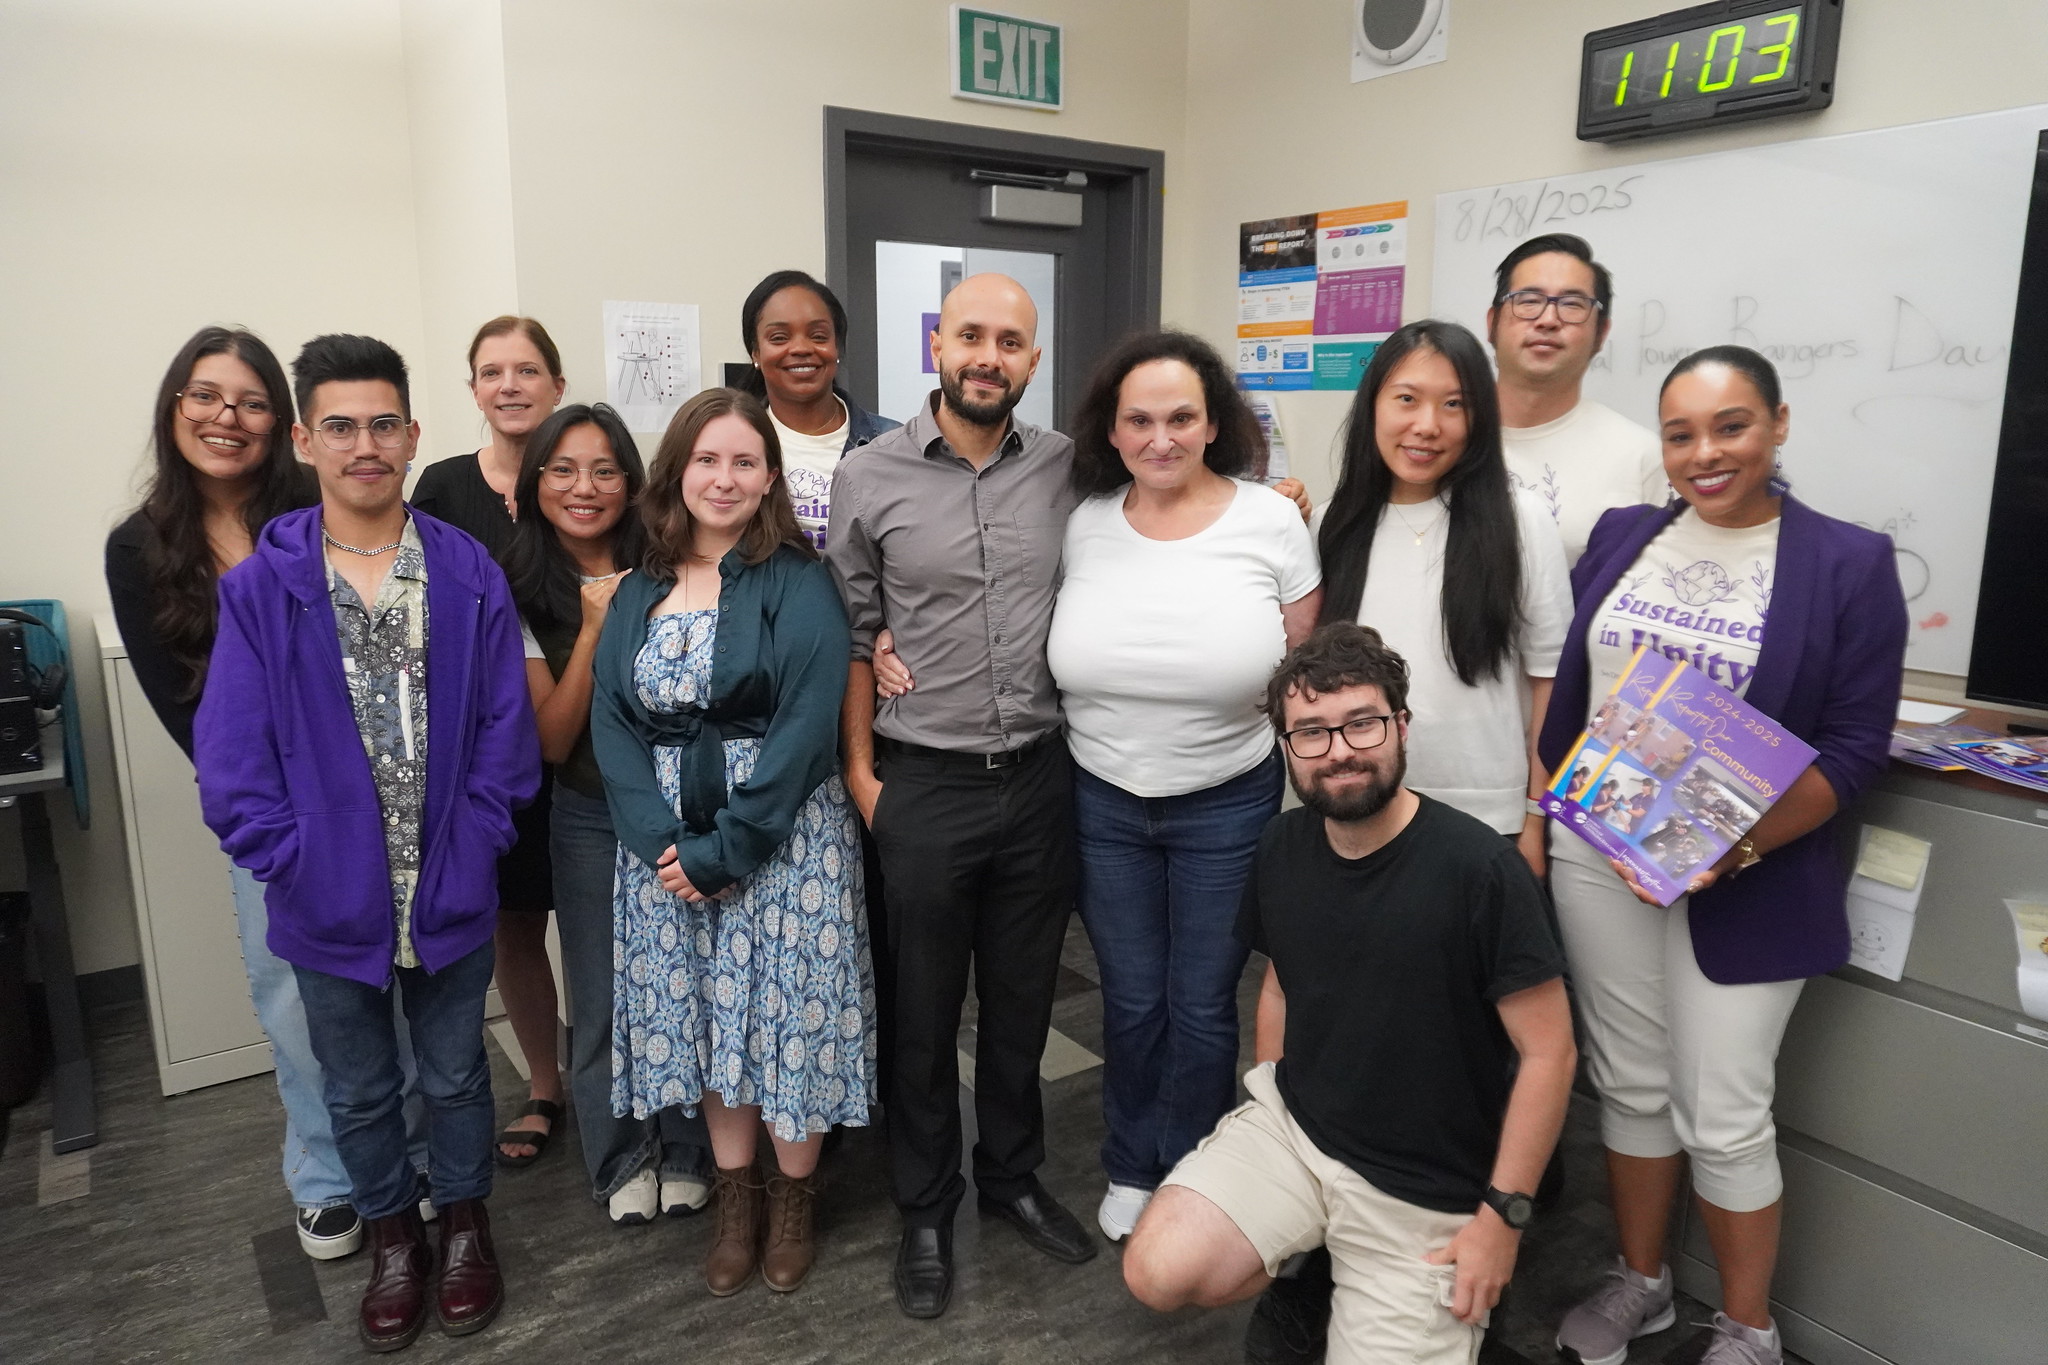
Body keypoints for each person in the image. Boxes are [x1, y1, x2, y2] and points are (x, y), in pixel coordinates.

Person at [1539, 346, 1907, 1365]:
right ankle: (1642, 1282)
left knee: (1722, 1107)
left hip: (1750, 876)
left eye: (1730, 425)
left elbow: (1852, 748)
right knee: (1631, 1083)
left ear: (1777, 425)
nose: (1703, 453)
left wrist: (1729, 848)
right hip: (1600, 855)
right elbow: (1571, 694)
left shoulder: (1844, 561)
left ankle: (1748, 1329)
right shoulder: (1622, 536)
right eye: (1679, 433)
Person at [195, 334, 540, 1352]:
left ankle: (466, 1224)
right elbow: (231, 757)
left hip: (449, 884)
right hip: (325, 898)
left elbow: (503, 735)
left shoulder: (466, 571)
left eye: (383, 424)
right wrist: (290, 858)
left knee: (458, 1073)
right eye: (339, 426)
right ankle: (394, 1235)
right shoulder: (264, 588)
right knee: (354, 1085)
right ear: (304, 440)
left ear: (412, 434)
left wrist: (476, 841)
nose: (364, 445)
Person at [1121, 623, 1576, 1365]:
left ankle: (1427, 1314)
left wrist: (1503, 1217)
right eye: (1311, 732)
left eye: (1361, 722)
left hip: (1424, 1192)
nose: (1339, 750)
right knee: (1156, 1266)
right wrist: (1268, 1107)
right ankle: (1317, 1260)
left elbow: (1550, 1053)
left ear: (1401, 725)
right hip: (1301, 1134)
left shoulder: (1481, 871)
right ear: (1286, 747)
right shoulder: (1281, 846)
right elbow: (1280, 986)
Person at [104, 326, 433, 1263]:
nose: (227, 418)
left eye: (249, 401)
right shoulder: (141, 547)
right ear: (175, 411)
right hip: (280, 814)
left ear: (282, 427)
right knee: (293, 994)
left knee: (402, 988)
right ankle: (327, 1175)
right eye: (205, 397)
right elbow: (186, 710)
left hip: (387, 794)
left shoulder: (318, 508)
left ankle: (409, 1164)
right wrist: (274, 822)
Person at [824, 273, 1096, 1320]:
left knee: (1024, 1007)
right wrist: (860, 777)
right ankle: (925, 1205)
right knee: (925, 1014)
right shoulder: (870, 473)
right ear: (941, 343)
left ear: (1032, 359)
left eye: (1011, 341)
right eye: (971, 334)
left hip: (1039, 777)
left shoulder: (1072, 469)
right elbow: (854, 633)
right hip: (921, 781)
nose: (989, 355)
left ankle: (1013, 1178)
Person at [591, 388, 874, 1297]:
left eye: (744, 461)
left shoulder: (799, 577)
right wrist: (663, 843)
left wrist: (727, 848)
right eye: (707, 459)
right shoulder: (639, 587)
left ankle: (794, 1197)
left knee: (784, 1018)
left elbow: (804, 727)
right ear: (677, 469)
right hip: (665, 854)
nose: (725, 477)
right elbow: (611, 723)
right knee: (716, 1025)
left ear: (769, 477)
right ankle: (736, 1198)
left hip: (784, 840)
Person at [1043, 330, 1320, 1242]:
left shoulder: (1272, 520)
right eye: (1139, 420)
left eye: (1181, 418)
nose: (1160, 438)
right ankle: (1132, 1160)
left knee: (1201, 1003)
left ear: (1214, 425)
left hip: (1228, 795)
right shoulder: (1081, 518)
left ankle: (1196, 1169)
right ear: (1111, 433)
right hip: (1104, 796)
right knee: (1130, 995)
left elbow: (1303, 668)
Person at [497, 401, 715, 1224]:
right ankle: (619, 1153)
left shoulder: (672, 560)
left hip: (681, 804)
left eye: (603, 469)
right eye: (562, 469)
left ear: (632, 481)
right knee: (599, 994)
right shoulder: (510, 587)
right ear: (535, 482)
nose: (583, 487)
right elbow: (552, 738)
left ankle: (689, 1145)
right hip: (586, 811)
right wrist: (594, 626)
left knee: (685, 982)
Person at [1316, 319, 1571, 877]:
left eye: (1454, 404)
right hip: (1359, 807)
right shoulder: (1339, 525)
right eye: (1406, 399)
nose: (1427, 426)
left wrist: (1535, 817)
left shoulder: (1519, 520)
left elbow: (1551, 679)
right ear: (1373, 405)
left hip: (1487, 815)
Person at [414, 315, 569, 1169]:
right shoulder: (437, 490)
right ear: (473, 387)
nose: (509, 385)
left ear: (556, 382)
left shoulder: (588, 473)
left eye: (527, 369)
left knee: (598, 925)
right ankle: (545, 1085)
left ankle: (621, 1076)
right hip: (484, 750)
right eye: (492, 371)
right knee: (515, 923)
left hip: (583, 741)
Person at [1488, 234, 1668, 565]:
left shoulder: (1643, 457)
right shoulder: (1439, 438)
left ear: (1601, 334)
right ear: (1492, 323)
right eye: (1528, 300)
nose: (1548, 320)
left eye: (1572, 305)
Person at [733, 270, 900, 549]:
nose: (800, 348)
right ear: (755, 353)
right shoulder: (731, 442)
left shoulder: (892, 443)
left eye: (818, 336)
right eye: (779, 338)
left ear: (837, 348)